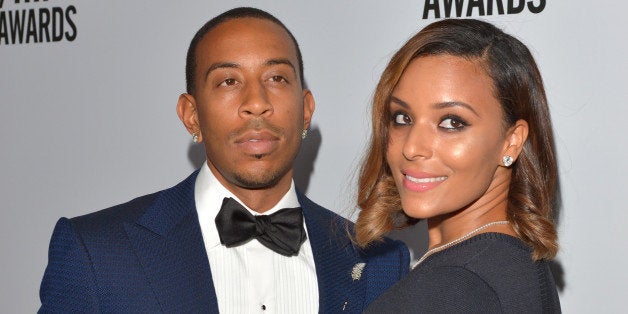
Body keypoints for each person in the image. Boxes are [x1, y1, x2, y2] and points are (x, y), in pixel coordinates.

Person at [38, 7, 409, 313]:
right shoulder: (97, 253)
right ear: (191, 115)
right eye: (228, 81)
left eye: (277, 78)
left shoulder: (379, 264)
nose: (257, 102)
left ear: (306, 110)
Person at [355, 19, 561, 313]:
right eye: (402, 118)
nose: (412, 147)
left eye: (452, 122)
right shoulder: (514, 265)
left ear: (512, 141)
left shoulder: (456, 287)